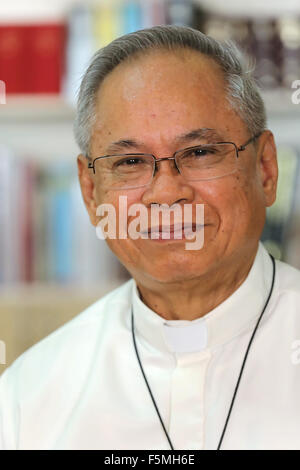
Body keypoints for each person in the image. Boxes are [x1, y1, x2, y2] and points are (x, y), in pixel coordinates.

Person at [1, 25, 300, 451]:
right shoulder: (25, 399)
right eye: (130, 162)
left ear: (266, 169)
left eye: (199, 153)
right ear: (90, 192)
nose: (165, 193)